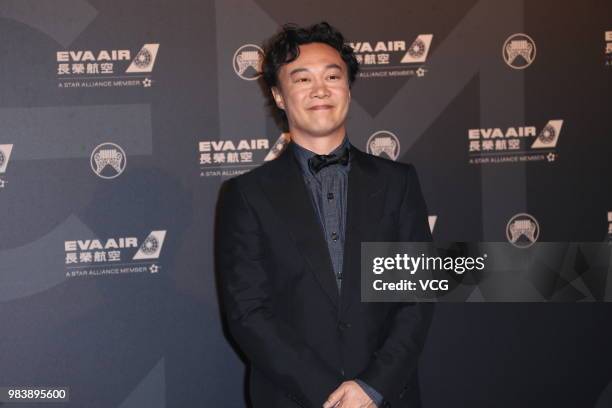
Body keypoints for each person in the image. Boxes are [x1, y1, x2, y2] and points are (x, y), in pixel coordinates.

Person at [216, 22, 433, 408]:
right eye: (301, 79)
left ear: (348, 87)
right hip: (293, 398)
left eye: (332, 76)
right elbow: (248, 312)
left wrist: (371, 387)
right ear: (279, 96)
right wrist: (329, 395)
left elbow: (414, 299)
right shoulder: (247, 195)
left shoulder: (398, 183)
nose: (320, 89)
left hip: (386, 397)